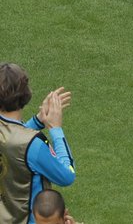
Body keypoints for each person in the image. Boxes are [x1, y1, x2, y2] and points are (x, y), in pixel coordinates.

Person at [0, 63, 75, 224]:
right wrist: (56, 129)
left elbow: (10, 141)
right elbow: (66, 175)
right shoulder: (33, 144)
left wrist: (37, 121)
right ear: (26, 94)